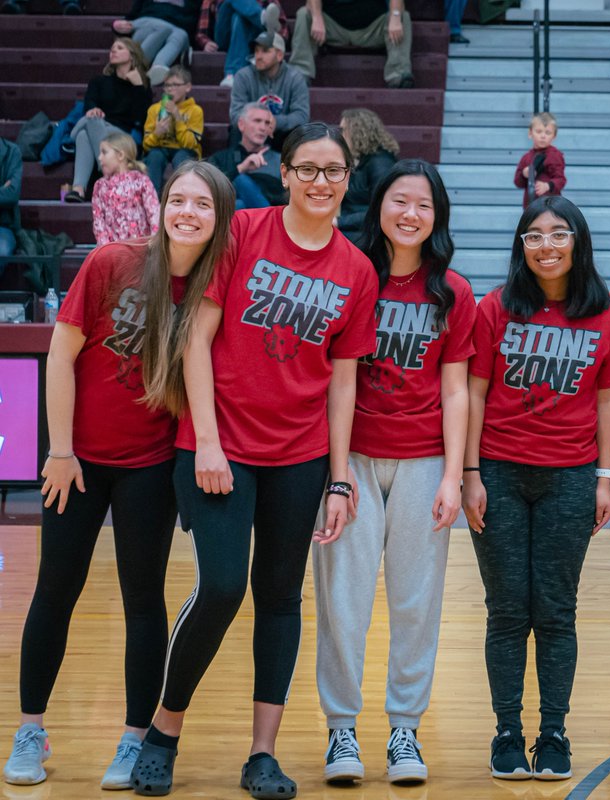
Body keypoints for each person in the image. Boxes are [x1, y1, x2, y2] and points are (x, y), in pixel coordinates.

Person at [127, 123, 378, 799]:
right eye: (308, 169)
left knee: (279, 597)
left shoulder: (357, 270)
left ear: (347, 180)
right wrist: (206, 441)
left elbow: (344, 380)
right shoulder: (244, 232)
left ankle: (261, 754)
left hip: (300, 458)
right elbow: (195, 339)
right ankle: (164, 729)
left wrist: (341, 477)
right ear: (286, 173)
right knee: (221, 588)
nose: (321, 182)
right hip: (220, 447)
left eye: (334, 171)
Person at [1, 161, 234, 790]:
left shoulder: (219, 286)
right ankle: (30, 728)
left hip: (152, 468)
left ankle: (134, 738)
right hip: (76, 462)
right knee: (56, 589)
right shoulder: (112, 261)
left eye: (202, 204)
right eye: (178, 199)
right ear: (160, 204)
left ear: (221, 217)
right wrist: (59, 450)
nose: (187, 212)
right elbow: (60, 355)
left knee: (143, 600)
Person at [314, 159, 475, 786]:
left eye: (424, 205)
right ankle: (342, 733)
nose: (410, 214)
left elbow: (457, 389)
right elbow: (334, 378)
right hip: (351, 458)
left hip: (425, 460)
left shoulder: (453, 291)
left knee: (416, 603)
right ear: (378, 207)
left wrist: (454, 476)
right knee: (342, 601)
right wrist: (335, 475)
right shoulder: (351, 275)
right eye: (399, 201)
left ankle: (405, 731)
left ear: (437, 217)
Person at [462, 195, 610, 781]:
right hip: (499, 473)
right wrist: (470, 474)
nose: (546, 246)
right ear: (520, 246)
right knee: (506, 611)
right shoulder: (496, 307)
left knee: (555, 612)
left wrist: (604, 477)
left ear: (577, 242)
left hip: (571, 478)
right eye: (533, 235)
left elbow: (608, 399)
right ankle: (507, 731)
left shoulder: (606, 314)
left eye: (558, 234)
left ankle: (553, 732)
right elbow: (475, 392)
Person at [65, 38, 152, 204]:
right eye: (112, 48)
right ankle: (82, 188)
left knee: (83, 131)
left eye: (119, 48)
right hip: (98, 127)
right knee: (90, 124)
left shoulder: (142, 84)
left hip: (123, 135)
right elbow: (89, 104)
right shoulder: (99, 81)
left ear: (132, 55)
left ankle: (85, 184)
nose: (113, 51)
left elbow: (142, 119)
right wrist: (92, 110)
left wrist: (138, 87)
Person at [291, 0, 415, 89]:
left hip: (371, 30)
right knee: (304, 14)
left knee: (402, 16)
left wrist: (395, 16)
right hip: (332, 29)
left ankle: (398, 76)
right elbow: (310, 3)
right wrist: (317, 17)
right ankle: (300, 75)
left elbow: (399, 4)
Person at [229, 31, 309, 146]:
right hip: (251, 132)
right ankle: (236, 164)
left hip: (282, 133)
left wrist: (277, 122)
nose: (258, 56)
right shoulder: (243, 76)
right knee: (236, 131)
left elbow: (302, 116)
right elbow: (236, 114)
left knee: (299, 133)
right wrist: (257, 123)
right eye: (256, 51)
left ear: (279, 55)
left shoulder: (295, 78)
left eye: (265, 51)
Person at [206, 103, 285, 209]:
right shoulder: (220, 159)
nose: (263, 128)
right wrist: (240, 168)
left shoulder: (280, 160)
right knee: (239, 204)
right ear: (241, 124)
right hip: (235, 219)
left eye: (267, 123)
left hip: (269, 216)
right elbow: (207, 192)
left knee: (241, 188)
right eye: (257, 121)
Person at [336, 108, 399, 244]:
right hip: (355, 229)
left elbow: (382, 211)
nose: (340, 136)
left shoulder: (381, 164)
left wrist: (338, 222)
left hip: (372, 235)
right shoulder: (358, 159)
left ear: (357, 132)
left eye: (343, 130)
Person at [111, 0, 204, 86]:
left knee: (182, 35)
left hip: (176, 28)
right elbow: (132, 16)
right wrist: (117, 26)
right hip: (147, 25)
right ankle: (135, 65)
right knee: (163, 28)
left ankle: (158, 66)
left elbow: (193, 22)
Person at [196, 0, 286, 88]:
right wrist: (205, 42)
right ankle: (261, 18)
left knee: (238, 18)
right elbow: (201, 32)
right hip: (224, 37)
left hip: (255, 39)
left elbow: (280, 27)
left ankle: (232, 74)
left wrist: (275, 41)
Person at [142, 66, 203, 193]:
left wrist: (178, 118)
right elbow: (146, 145)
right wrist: (156, 134)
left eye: (175, 85)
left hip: (184, 150)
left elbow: (191, 144)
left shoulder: (195, 110)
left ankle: (182, 195)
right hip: (161, 148)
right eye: (167, 85)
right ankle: (152, 202)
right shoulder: (155, 109)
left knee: (182, 157)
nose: (170, 89)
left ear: (188, 87)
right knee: (154, 156)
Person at [92, 132, 159, 246]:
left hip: (140, 250)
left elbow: (154, 214)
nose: (99, 157)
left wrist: (153, 245)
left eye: (104, 152)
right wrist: (106, 249)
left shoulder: (140, 180)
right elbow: (99, 222)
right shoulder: (100, 185)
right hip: (112, 252)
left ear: (120, 155)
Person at [514, 112, 566, 208]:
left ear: (554, 136)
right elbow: (517, 182)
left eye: (548, 132)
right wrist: (524, 174)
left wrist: (548, 186)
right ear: (530, 133)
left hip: (551, 206)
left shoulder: (555, 155)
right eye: (539, 131)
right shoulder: (526, 158)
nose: (543, 136)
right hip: (530, 206)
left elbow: (561, 179)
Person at [0, 137, 19, 257]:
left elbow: (12, 194)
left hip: (3, 226)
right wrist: (2, 189)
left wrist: (6, 191)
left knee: (1, 251)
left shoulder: (12, 151)